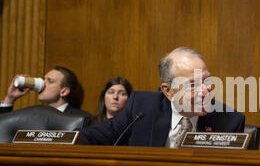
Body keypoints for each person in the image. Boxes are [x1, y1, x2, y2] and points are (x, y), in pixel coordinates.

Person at [80, 47, 245, 146]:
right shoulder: (141, 107)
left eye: (207, 80)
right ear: (168, 91)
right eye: (193, 85)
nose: (205, 91)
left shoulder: (230, 121)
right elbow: (93, 136)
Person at [0, 66, 90, 117]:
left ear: (64, 91)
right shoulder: (31, 116)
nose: (43, 83)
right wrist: (9, 99)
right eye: (44, 79)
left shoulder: (81, 118)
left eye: (50, 81)